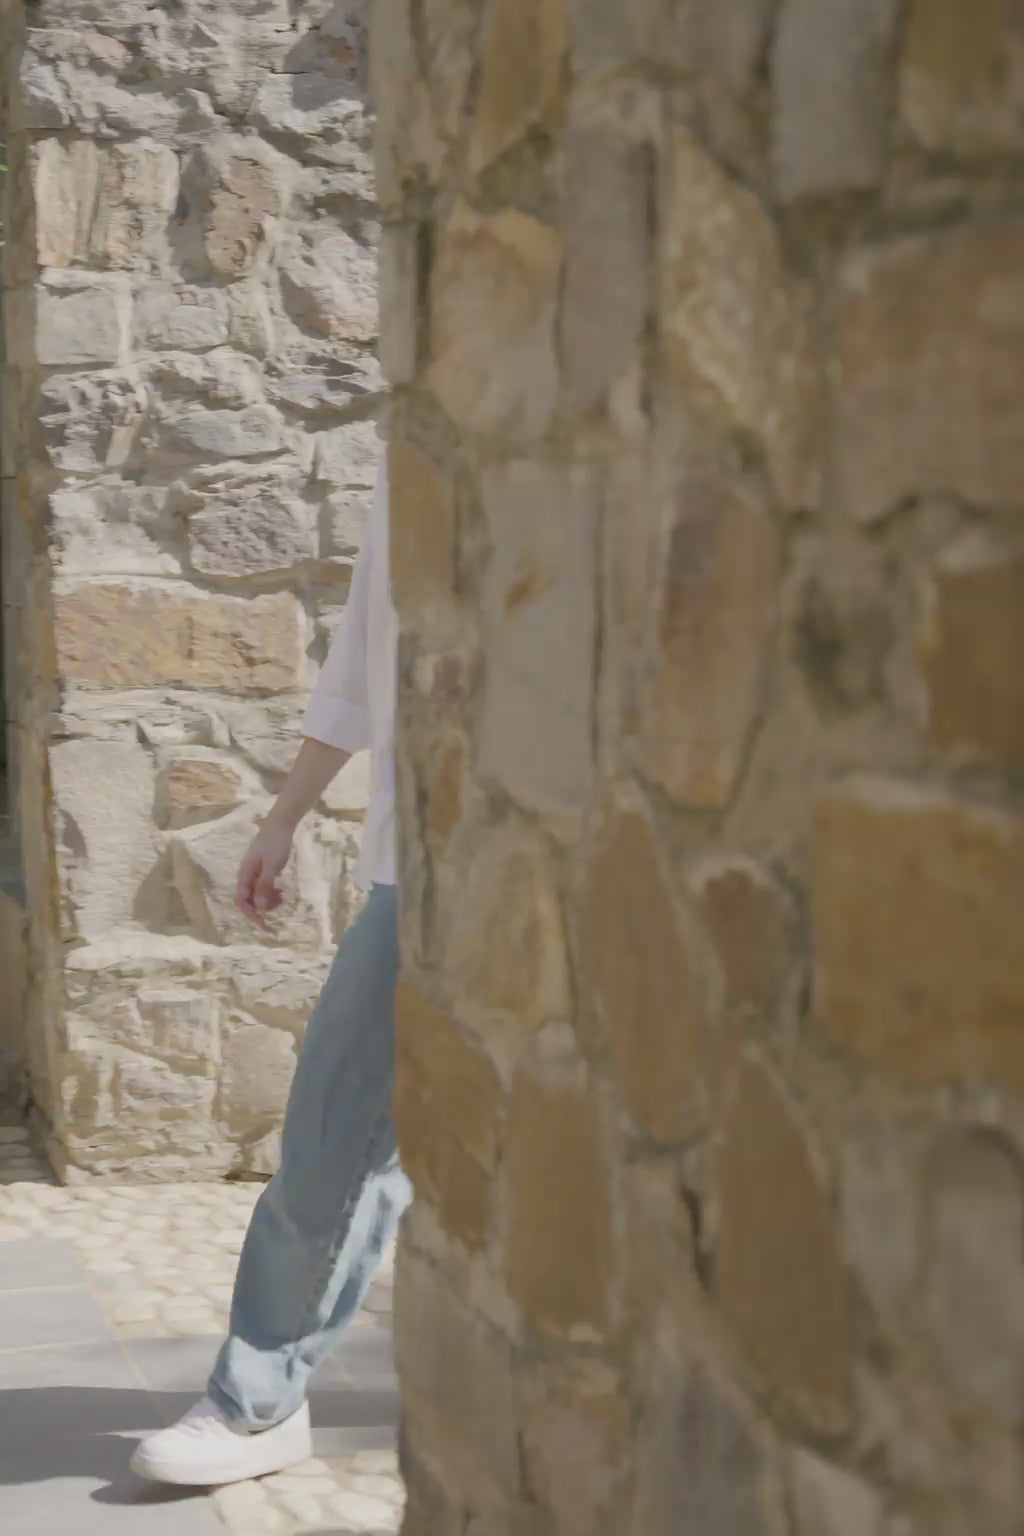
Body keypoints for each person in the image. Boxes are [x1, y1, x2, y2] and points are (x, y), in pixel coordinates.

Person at [132, 451, 409, 1487]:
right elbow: (361, 665)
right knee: (333, 1133)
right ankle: (257, 1403)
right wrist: (284, 815)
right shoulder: (412, 450)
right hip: (418, 867)